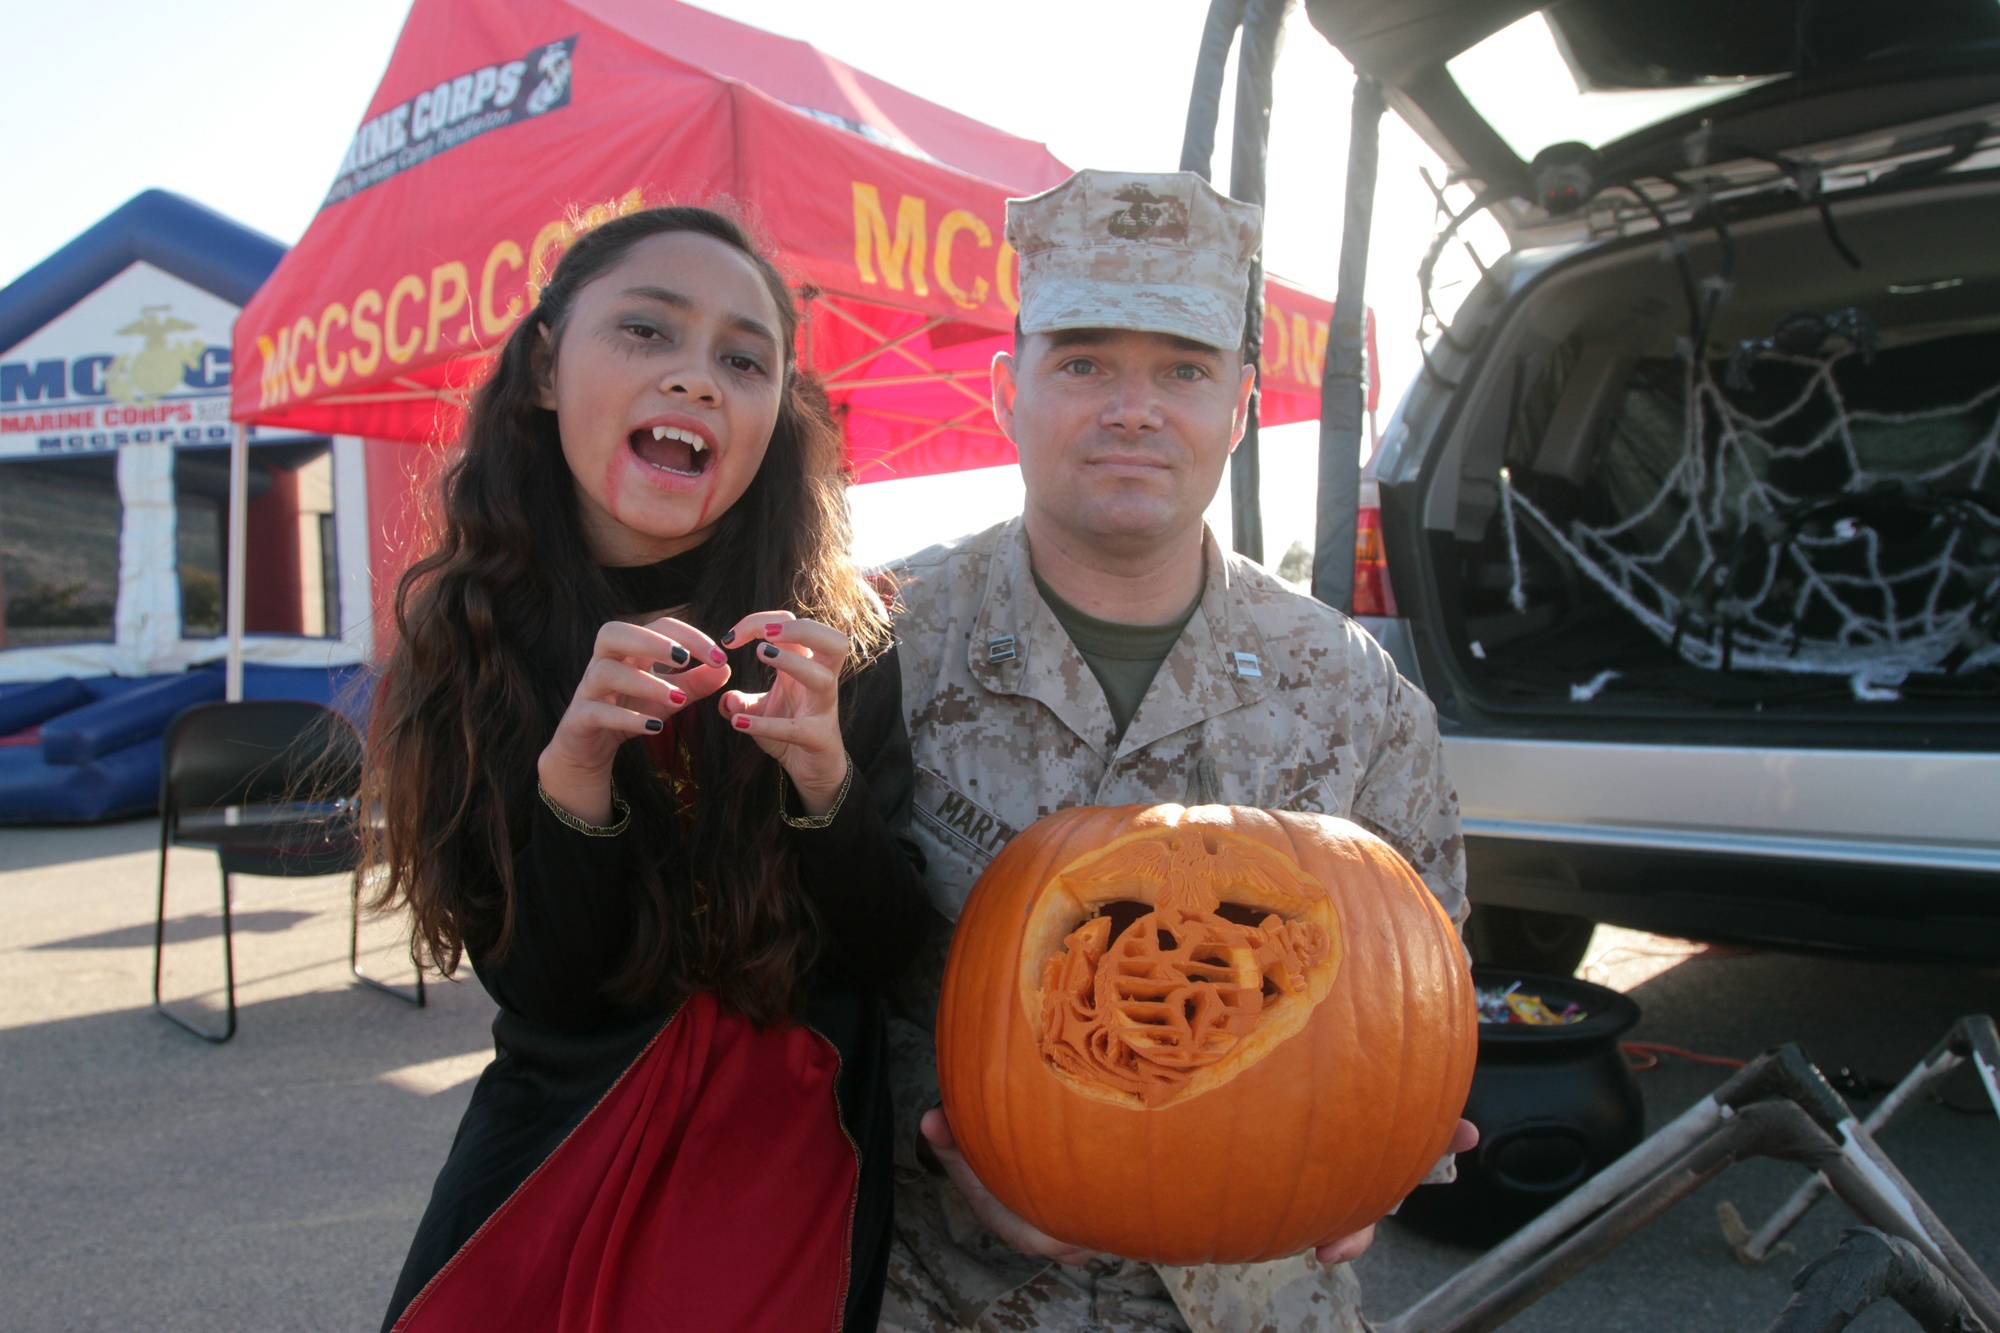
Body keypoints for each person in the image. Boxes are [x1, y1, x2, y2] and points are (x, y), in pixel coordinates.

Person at [878, 170, 1474, 1333]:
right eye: (1084, 361)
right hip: (957, 1297)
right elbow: (784, 964)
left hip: (1265, 1301)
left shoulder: (1350, 691)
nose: (1131, 407)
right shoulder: (877, 652)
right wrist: (938, 1124)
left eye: (1183, 369)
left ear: (1240, 405)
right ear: (1009, 388)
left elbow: (1427, 974)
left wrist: (1389, 1150)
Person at [364, 205, 932, 1332]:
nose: (695, 378)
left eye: (741, 357)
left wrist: (824, 786)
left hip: (787, 1163)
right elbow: (544, 992)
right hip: (555, 1143)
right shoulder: (466, 632)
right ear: (541, 367)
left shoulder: (833, 642)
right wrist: (572, 781)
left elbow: (888, 955)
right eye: (646, 332)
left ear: (775, 414)